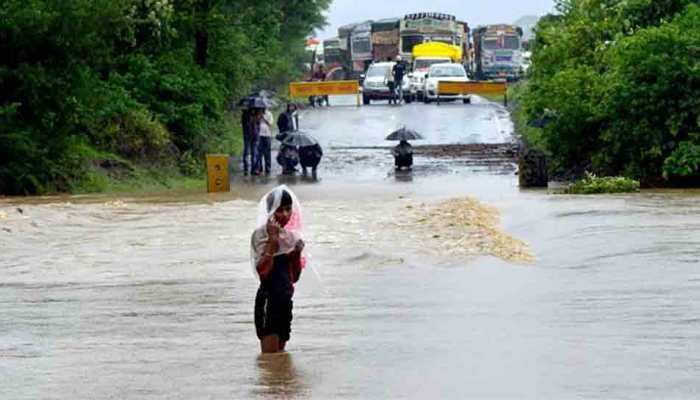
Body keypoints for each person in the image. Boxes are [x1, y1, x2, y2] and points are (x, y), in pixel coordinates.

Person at [251, 186, 305, 353]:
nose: (285, 215)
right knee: (269, 357)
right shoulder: (261, 235)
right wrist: (273, 242)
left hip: (285, 300)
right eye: (279, 210)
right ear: (270, 211)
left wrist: (296, 254)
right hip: (269, 300)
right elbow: (263, 272)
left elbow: (294, 277)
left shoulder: (291, 238)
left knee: (280, 358)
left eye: (288, 209)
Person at [254, 107, 274, 175]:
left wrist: (264, 118)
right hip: (259, 135)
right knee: (259, 153)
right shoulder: (257, 113)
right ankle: (259, 168)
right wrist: (259, 117)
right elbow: (256, 123)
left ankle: (268, 168)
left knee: (267, 153)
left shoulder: (269, 114)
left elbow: (270, 124)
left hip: (267, 135)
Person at [241, 109, 259, 175]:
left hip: (255, 136)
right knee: (246, 153)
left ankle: (253, 169)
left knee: (254, 153)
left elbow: (258, 126)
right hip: (247, 136)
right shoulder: (245, 114)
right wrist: (250, 118)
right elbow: (244, 124)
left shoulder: (257, 114)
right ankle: (246, 169)